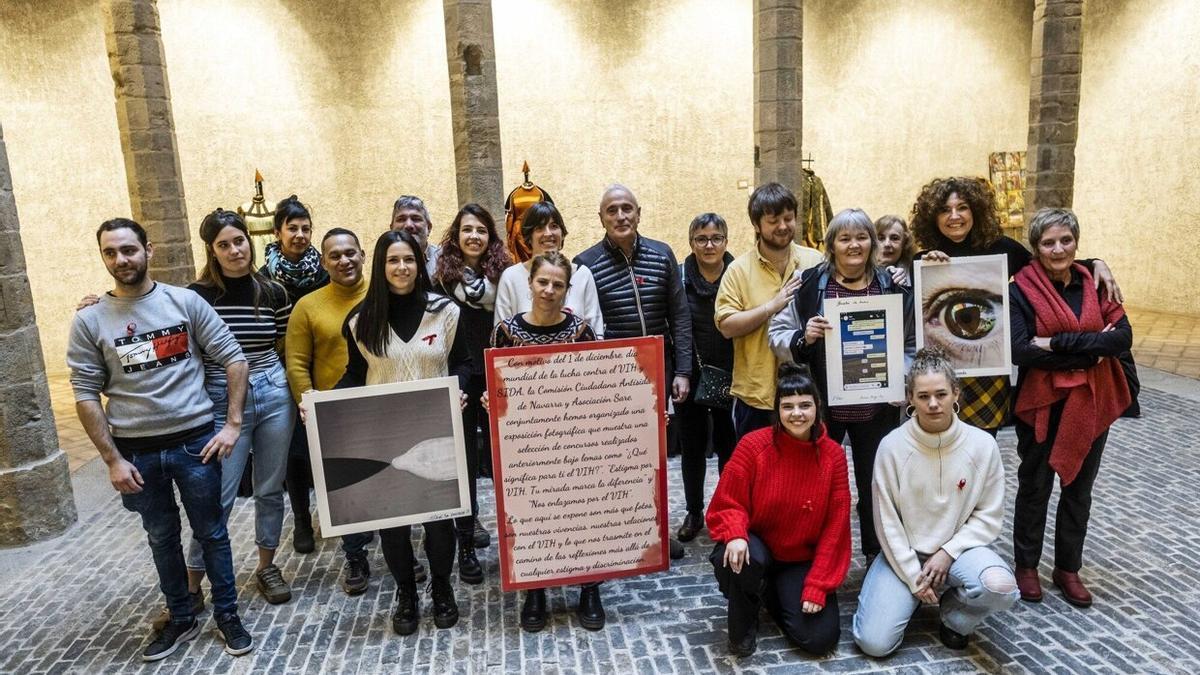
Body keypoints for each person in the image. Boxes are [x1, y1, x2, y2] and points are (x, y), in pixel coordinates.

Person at [68, 218, 253, 661]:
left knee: (212, 533)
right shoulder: (90, 320)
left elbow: (234, 359)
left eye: (128, 250)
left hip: (194, 444)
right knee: (160, 535)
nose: (120, 259)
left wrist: (231, 425)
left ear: (148, 250)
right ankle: (181, 617)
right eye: (110, 252)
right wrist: (111, 459)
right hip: (137, 452)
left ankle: (228, 615)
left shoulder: (184, 302)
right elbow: (84, 393)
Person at [333, 229, 471, 635]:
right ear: (380, 266)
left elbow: (464, 364)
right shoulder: (360, 321)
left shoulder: (445, 312)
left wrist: (459, 391)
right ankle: (406, 594)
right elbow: (355, 376)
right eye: (393, 260)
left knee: (438, 521)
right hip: (385, 432)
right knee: (392, 523)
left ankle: (442, 590)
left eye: (409, 259)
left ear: (420, 263)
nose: (401, 267)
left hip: (436, 430)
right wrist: (319, 404)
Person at [909, 176, 1121, 435]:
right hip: (940, 374)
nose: (955, 216)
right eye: (945, 210)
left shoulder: (1003, 248)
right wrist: (924, 269)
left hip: (987, 374)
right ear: (933, 217)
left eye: (962, 207)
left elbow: (1048, 263)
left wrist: (1095, 262)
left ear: (975, 209)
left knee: (982, 448)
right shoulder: (923, 261)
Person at [768, 208, 914, 561]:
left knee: (876, 486)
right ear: (831, 245)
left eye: (862, 237)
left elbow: (911, 343)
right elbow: (776, 334)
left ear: (873, 243)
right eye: (844, 238)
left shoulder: (892, 284)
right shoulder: (808, 284)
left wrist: (899, 381)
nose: (854, 245)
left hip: (877, 407)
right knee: (818, 485)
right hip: (823, 405)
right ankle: (816, 556)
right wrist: (804, 337)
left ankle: (877, 558)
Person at [852, 348, 1018, 656]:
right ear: (910, 398)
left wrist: (948, 551)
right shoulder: (891, 447)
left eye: (941, 394)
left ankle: (954, 617)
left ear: (956, 392)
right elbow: (886, 521)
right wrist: (912, 577)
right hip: (904, 552)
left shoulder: (982, 445)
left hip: (958, 553)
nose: (932, 403)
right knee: (873, 643)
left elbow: (988, 516)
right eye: (923, 395)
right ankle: (905, 596)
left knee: (1001, 586)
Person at [1009, 208, 1131, 608]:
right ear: (1036, 247)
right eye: (1048, 242)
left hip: (1091, 401)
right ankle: (1026, 566)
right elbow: (1022, 349)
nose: (1058, 248)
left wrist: (1058, 344)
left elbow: (1121, 339)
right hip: (1042, 402)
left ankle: (1068, 568)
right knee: (1035, 486)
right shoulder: (1020, 290)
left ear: (1077, 242)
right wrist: (1089, 348)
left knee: (1079, 490)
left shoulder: (1094, 282)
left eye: (1066, 240)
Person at [180, 210, 295, 608]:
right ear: (212, 251)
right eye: (224, 245)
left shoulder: (273, 291)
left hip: (272, 387)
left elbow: (281, 342)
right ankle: (192, 585)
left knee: (269, 487)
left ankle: (266, 565)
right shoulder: (195, 297)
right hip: (221, 394)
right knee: (216, 494)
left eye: (239, 241)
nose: (235, 250)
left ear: (250, 240)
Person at [573, 183, 693, 562]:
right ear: (602, 218)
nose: (621, 216)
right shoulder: (585, 264)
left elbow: (681, 316)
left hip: (661, 371)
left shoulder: (662, 254)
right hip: (614, 379)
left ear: (639, 213)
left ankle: (657, 531)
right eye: (612, 210)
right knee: (619, 461)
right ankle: (623, 533)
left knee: (657, 457)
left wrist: (684, 370)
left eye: (627, 208)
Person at [283, 227, 400, 592]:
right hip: (337, 408)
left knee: (392, 483)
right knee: (348, 487)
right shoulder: (308, 306)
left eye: (350, 252)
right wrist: (309, 403)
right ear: (324, 262)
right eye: (334, 255)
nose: (344, 260)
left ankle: (401, 557)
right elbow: (297, 362)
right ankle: (355, 557)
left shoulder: (388, 296)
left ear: (364, 255)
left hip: (385, 404)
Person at [706, 363, 850, 658]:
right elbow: (727, 500)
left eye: (805, 405)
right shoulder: (753, 446)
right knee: (736, 558)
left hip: (800, 559)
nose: (797, 413)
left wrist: (817, 585)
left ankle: (770, 592)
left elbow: (836, 529)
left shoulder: (834, 456)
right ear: (777, 410)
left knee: (819, 639)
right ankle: (745, 621)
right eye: (788, 406)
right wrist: (735, 533)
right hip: (756, 549)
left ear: (817, 407)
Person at [489, 251, 598, 632]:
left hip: (575, 441)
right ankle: (535, 589)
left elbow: (599, 383)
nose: (549, 290)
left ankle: (589, 587)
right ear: (529, 283)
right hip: (526, 446)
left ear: (568, 290)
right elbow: (496, 384)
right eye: (543, 282)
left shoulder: (582, 331)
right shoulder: (506, 331)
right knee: (530, 514)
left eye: (558, 284)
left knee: (582, 515)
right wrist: (491, 398)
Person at [431, 203, 512, 583]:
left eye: (481, 230)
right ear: (456, 235)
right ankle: (465, 546)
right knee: (462, 464)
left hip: (497, 376)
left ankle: (517, 540)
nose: (474, 236)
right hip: (459, 376)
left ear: (490, 237)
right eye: (467, 230)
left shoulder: (506, 277)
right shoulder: (442, 280)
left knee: (504, 462)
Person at [715, 182, 823, 441]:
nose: (783, 227)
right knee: (758, 476)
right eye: (774, 220)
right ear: (756, 225)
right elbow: (726, 326)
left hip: (806, 393)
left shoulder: (815, 262)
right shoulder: (738, 270)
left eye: (788, 218)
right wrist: (771, 307)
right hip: (756, 395)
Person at [674, 213, 736, 544]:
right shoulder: (680, 278)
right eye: (702, 239)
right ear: (691, 242)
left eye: (716, 238)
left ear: (726, 241)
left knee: (730, 447)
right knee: (693, 448)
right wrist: (680, 372)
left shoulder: (739, 274)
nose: (709, 245)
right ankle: (694, 511)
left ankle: (727, 512)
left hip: (732, 373)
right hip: (691, 373)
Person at [494, 201, 604, 336]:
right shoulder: (511, 277)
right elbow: (502, 334)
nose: (548, 233)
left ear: (562, 233)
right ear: (529, 237)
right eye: (539, 228)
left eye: (554, 226)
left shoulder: (582, 275)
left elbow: (596, 332)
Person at [390, 194, 441, 275]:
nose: (409, 225)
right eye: (401, 219)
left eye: (416, 219)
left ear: (429, 228)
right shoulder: (384, 263)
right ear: (392, 228)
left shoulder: (445, 260)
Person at [874, 214, 915, 278]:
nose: (887, 244)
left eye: (894, 238)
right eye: (881, 238)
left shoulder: (915, 273)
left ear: (905, 244)